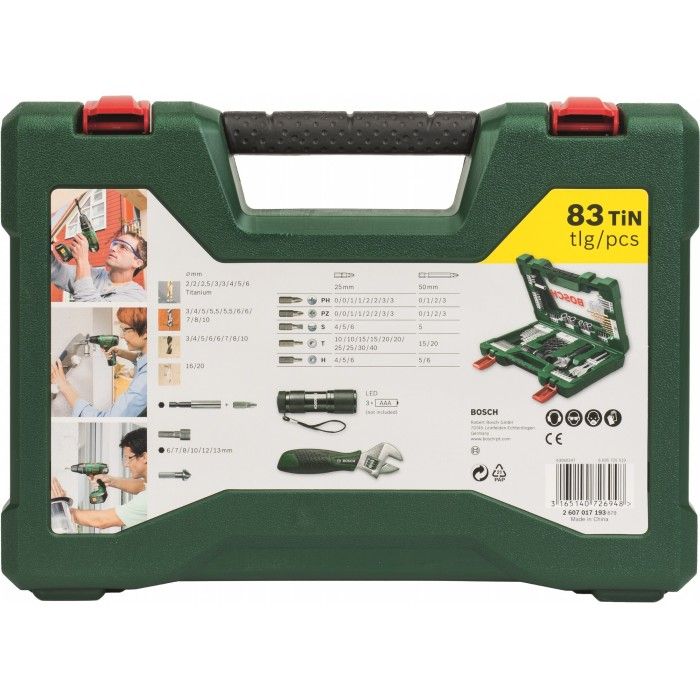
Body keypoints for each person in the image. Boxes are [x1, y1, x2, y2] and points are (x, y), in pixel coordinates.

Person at [51, 307, 147, 418]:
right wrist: (122, 353)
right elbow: (143, 360)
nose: (121, 335)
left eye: (125, 329)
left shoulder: (145, 379)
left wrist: (64, 387)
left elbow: (108, 419)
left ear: (146, 332)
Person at [51, 427, 148, 530]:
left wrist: (59, 505)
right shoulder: (156, 485)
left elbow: (101, 521)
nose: (126, 465)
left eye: (129, 458)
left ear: (144, 457)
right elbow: (142, 485)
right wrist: (111, 481)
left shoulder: (145, 500)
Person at [51, 230, 147, 302]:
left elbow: (90, 307)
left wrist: (82, 260)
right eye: (115, 243)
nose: (113, 248)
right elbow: (57, 272)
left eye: (123, 247)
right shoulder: (96, 275)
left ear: (137, 263)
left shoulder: (137, 296)